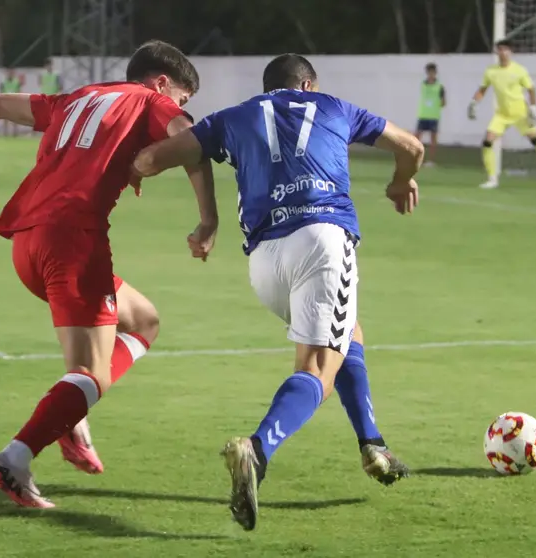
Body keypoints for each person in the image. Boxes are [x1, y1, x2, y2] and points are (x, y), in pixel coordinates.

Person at [0, 40, 218, 508]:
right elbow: (191, 143)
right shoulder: (149, 101)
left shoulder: (78, 97)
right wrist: (208, 219)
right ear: (161, 83)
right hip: (73, 242)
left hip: (27, 244)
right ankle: (14, 459)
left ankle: (69, 416)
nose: (179, 106)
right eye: (182, 97)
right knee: (89, 375)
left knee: (143, 320)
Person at [132, 53, 423, 531]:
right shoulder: (335, 107)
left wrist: (146, 175)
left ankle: (373, 444)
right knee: (317, 368)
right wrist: (401, 181)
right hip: (322, 240)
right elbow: (411, 146)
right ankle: (258, 449)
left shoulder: (231, 118)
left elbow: (151, 159)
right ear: (307, 85)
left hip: (265, 262)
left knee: (347, 332)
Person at [468, 39, 536, 189]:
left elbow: (531, 89)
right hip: (502, 114)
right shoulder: (491, 71)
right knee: (487, 142)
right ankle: (492, 179)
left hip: (520, 113)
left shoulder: (519, 70)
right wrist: (473, 103)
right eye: (500, 49)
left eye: (505, 49)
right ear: (497, 52)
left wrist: (533, 109)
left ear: (511, 52)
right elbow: (482, 89)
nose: (503, 52)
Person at [415, 62, 445, 167]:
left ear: (435, 73)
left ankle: (431, 161)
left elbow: (443, 102)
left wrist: (438, 103)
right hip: (423, 115)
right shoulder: (423, 84)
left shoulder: (440, 87)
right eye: (429, 72)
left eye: (432, 72)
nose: (431, 74)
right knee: (417, 139)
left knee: (433, 140)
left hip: (433, 116)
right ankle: (417, 159)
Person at [0, 68, 24, 137]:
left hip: (14, 102)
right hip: (6, 102)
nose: (10, 74)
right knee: (5, 118)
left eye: (11, 72)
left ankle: (15, 133)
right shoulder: (3, 82)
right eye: (9, 72)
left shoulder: (16, 82)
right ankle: (5, 133)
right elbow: (1, 92)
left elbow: (19, 91)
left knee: (15, 118)